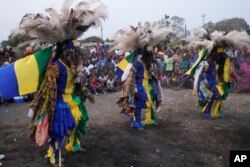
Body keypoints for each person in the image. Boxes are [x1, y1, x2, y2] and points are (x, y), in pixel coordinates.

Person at [0, 0, 108, 166]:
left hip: (73, 101)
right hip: (58, 105)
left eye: (77, 51)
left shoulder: (73, 66)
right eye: (73, 51)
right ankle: (54, 156)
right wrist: (40, 107)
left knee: (80, 121)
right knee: (57, 132)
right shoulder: (56, 67)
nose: (76, 53)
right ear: (66, 52)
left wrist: (86, 93)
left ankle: (74, 144)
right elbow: (46, 88)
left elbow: (77, 83)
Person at [114, 21, 170, 129]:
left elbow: (151, 73)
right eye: (149, 54)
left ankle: (149, 119)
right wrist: (134, 90)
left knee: (151, 100)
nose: (151, 55)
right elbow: (131, 77)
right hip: (138, 86)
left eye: (151, 53)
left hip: (147, 86)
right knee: (138, 104)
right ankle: (136, 121)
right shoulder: (138, 63)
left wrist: (155, 77)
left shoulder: (150, 62)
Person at [185, 28, 250, 119]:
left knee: (221, 95)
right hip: (210, 80)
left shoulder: (225, 59)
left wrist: (235, 78)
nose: (221, 55)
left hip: (222, 80)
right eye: (219, 53)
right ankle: (207, 111)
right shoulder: (210, 59)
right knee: (215, 93)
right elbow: (201, 69)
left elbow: (229, 71)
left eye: (222, 53)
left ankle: (216, 110)